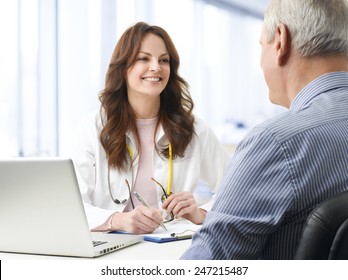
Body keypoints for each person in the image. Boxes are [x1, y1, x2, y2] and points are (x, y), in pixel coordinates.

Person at [181, 0, 348, 260]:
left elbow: (205, 265)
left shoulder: (277, 142)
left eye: (262, 45)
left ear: (280, 41)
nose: (260, 61)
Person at [71, 22, 230, 234]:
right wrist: (117, 220)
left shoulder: (194, 129)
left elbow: (238, 190)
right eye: (143, 58)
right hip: (109, 250)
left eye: (164, 60)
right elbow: (72, 207)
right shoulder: (92, 128)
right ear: (123, 67)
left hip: (172, 248)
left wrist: (202, 213)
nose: (156, 67)